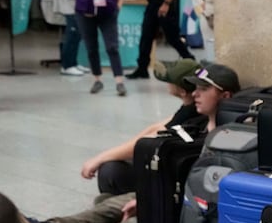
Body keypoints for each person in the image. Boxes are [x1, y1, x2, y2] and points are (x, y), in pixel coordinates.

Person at [0, 63, 241, 223]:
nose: (194, 93)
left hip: (190, 216)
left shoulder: (230, 140)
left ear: (225, 96)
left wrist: (149, 201)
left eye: (203, 89)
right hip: (165, 201)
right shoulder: (196, 125)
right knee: (113, 206)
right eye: (194, 87)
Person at [81, 58, 202, 195]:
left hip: (170, 178)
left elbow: (147, 141)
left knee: (110, 171)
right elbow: (156, 128)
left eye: (170, 81)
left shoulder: (192, 113)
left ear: (182, 91)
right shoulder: (190, 108)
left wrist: (100, 158)